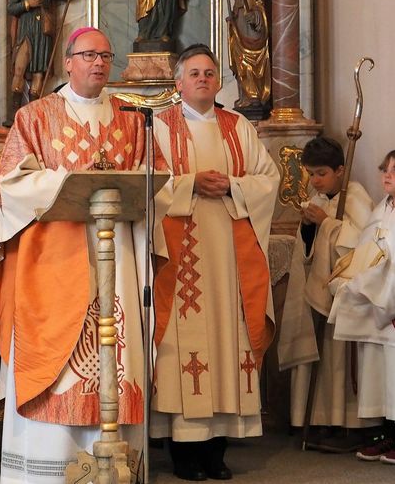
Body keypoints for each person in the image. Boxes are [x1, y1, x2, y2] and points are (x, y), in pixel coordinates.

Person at [0, 27, 163, 483]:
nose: (98, 63)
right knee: (59, 365)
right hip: (54, 262)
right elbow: (11, 184)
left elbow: (156, 178)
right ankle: (49, 471)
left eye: (105, 55)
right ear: (68, 62)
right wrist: (69, 182)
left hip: (119, 256)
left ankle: (116, 466)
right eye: (88, 55)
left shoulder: (131, 117)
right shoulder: (35, 116)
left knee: (119, 354)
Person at [151, 44, 279, 480]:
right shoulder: (159, 127)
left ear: (218, 81)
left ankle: (216, 452)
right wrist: (190, 184)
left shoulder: (238, 126)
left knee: (228, 342)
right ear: (178, 82)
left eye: (209, 73)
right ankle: (184, 454)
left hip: (229, 258)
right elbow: (147, 182)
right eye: (194, 73)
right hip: (180, 260)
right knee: (182, 346)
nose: (203, 79)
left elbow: (268, 178)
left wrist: (232, 187)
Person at [278, 136, 379, 449]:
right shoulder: (317, 199)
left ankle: (345, 424)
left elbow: (363, 244)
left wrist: (328, 225)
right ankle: (319, 420)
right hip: (319, 289)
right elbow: (307, 250)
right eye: (311, 174)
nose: (316, 180)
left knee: (339, 359)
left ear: (340, 170)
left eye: (321, 173)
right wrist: (311, 228)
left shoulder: (356, 196)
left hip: (345, 293)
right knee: (320, 355)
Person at [327, 149, 395, 465]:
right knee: (376, 370)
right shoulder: (380, 209)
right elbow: (365, 250)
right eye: (385, 169)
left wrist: (387, 282)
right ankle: (383, 432)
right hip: (375, 300)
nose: (387, 175)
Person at [7, 0, 80, 107]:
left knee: (38, 73)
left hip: (42, 36)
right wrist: (27, 3)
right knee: (19, 69)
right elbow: (11, 8)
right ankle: (15, 111)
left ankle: (33, 109)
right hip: (25, 34)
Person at [225, 0, 270, 118]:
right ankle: (246, 96)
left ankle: (253, 96)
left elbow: (260, 13)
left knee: (249, 65)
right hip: (240, 37)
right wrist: (232, 19)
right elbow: (237, 13)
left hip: (252, 39)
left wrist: (255, 17)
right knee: (241, 66)